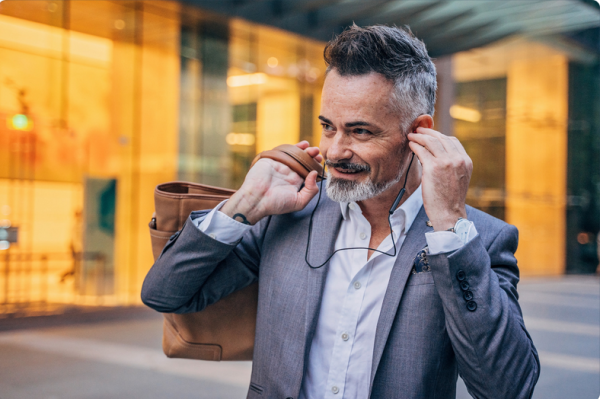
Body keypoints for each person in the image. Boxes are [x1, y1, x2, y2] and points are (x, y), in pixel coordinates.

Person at [142, 24, 540, 399]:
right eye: (328, 127)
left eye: (360, 131)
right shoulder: (287, 216)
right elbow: (164, 293)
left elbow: (507, 387)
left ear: (419, 131)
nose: (334, 151)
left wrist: (451, 225)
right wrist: (241, 206)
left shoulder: (476, 239)